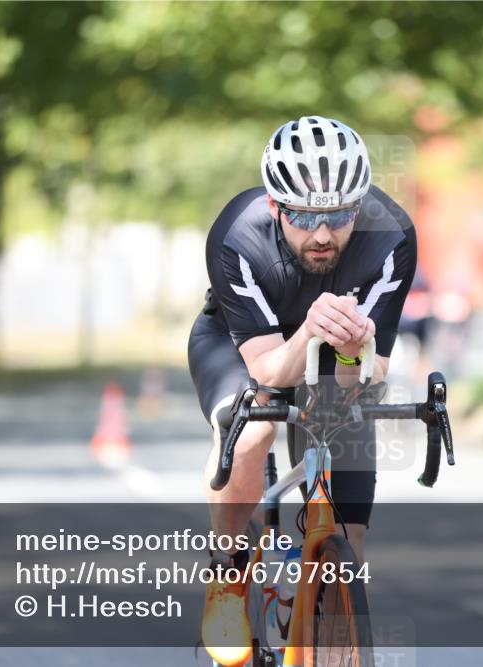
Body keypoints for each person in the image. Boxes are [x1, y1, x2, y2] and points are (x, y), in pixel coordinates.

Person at [188, 116, 417, 665]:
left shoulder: (392, 236)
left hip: (333, 352)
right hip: (240, 345)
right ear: (275, 206)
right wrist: (311, 329)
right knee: (250, 431)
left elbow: (371, 370)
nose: (322, 234)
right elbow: (268, 371)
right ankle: (229, 574)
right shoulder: (237, 234)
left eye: (338, 216)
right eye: (304, 216)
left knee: (349, 540)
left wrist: (354, 353)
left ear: (358, 207)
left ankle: (326, 627)